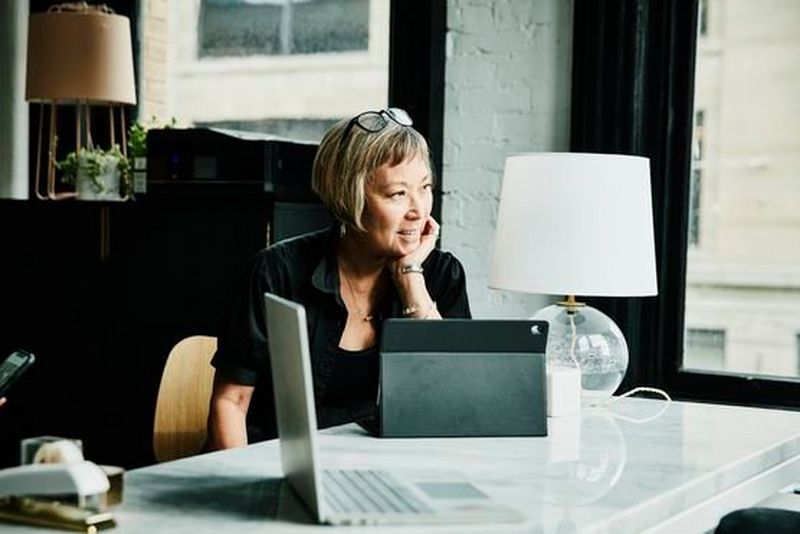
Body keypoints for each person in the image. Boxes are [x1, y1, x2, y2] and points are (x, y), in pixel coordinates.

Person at [206, 108, 471, 449]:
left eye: (425, 188)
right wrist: (246, 490)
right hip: (279, 466)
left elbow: (458, 403)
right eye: (397, 194)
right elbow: (231, 402)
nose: (418, 209)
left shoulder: (440, 275)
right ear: (351, 197)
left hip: (390, 473)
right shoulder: (275, 273)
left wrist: (411, 280)